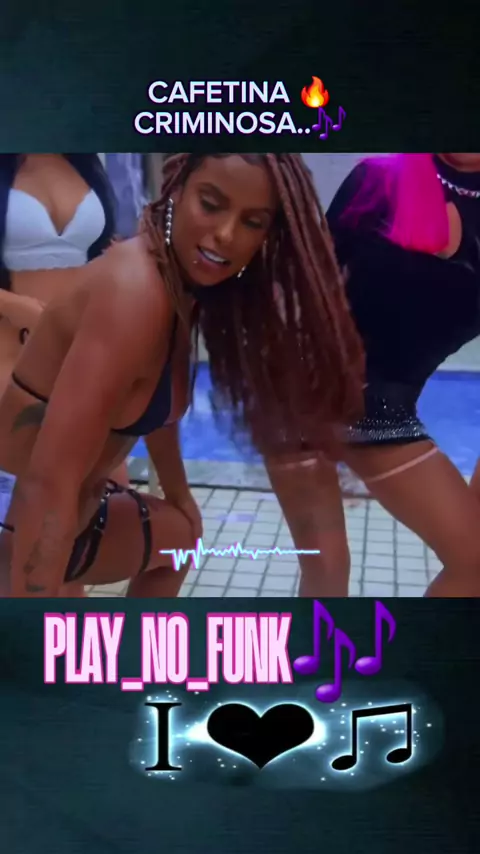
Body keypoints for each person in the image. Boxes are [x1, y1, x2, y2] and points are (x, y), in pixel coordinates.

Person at [0, 152, 365, 598]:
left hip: (72, 512)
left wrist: (179, 495)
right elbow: (47, 482)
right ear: (175, 190)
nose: (226, 234)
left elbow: (153, 402)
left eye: (252, 222)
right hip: (19, 516)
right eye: (210, 204)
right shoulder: (133, 291)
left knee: (179, 539)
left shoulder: (178, 287)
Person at [266, 153, 480, 598]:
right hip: (303, 394)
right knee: (326, 571)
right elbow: (309, 280)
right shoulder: (381, 177)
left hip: (384, 411)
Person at [0, 154, 131, 596]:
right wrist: (17, 307)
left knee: (82, 526)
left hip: (84, 360)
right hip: (11, 359)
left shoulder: (84, 160)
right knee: (19, 535)